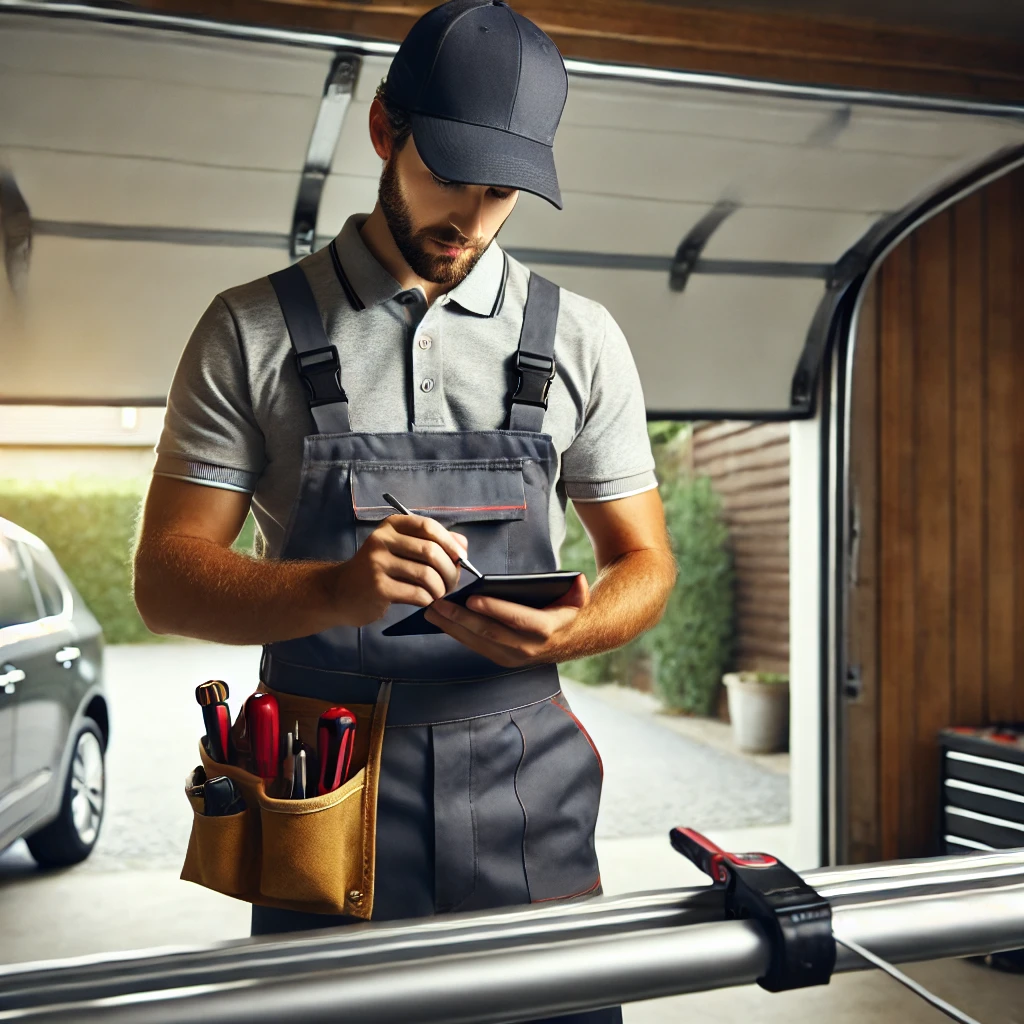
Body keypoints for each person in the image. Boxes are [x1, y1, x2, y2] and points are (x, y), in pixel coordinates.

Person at [133, 1, 676, 1020]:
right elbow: (165, 581)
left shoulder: (582, 340)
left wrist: (581, 623)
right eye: (447, 174)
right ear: (386, 131)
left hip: (524, 795)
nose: (469, 220)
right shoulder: (247, 330)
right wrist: (331, 588)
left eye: (502, 191)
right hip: (323, 795)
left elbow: (644, 561)